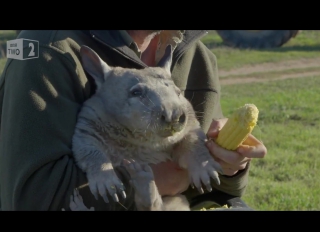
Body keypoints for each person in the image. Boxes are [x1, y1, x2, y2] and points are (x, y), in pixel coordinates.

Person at [0, 30, 267, 211]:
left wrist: (230, 165)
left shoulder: (196, 55)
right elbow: (31, 200)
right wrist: (156, 180)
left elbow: (217, 193)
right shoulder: (44, 50)